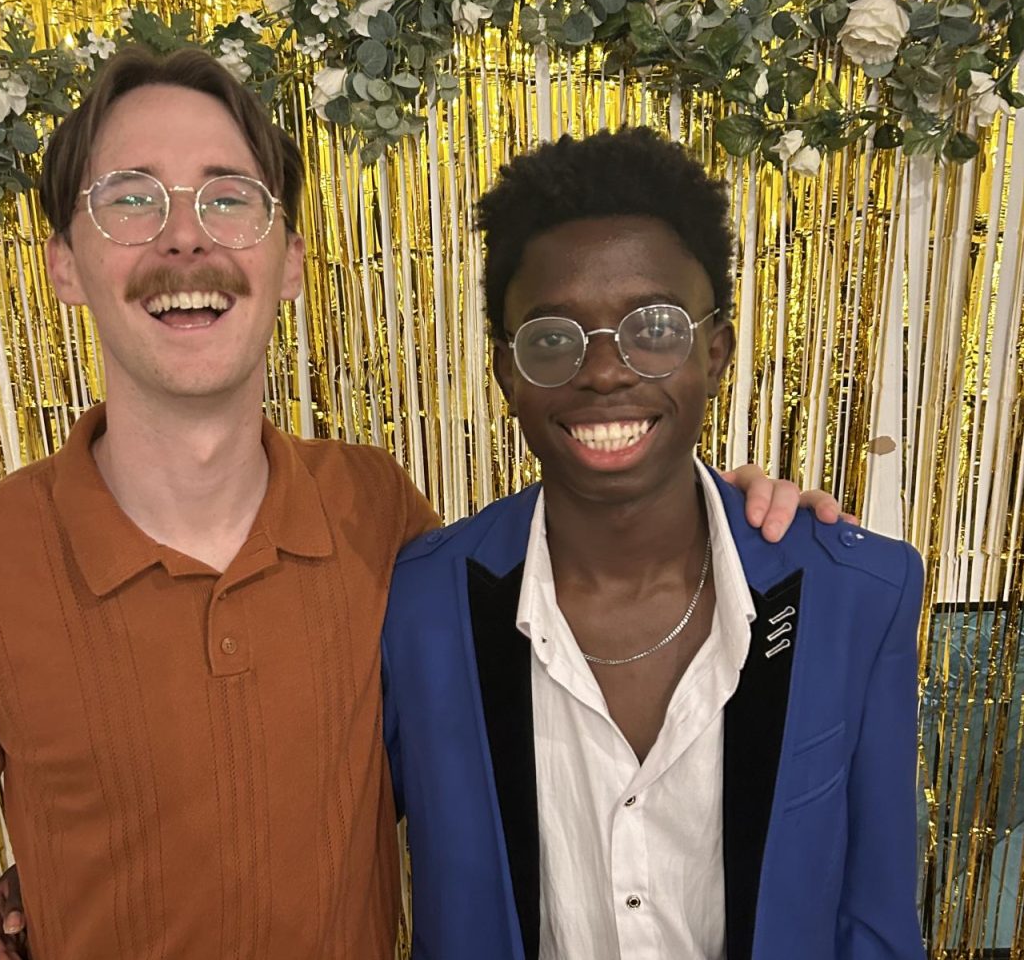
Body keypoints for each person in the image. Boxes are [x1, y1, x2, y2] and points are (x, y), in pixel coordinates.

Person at [0, 48, 842, 960]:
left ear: (288, 260)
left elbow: (551, 672)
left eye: (227, 196)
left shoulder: (383, 519)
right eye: (131, 198)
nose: (184, 233)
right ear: (64, 265)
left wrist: (720, 510)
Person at [381, 127, 925, 960]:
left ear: (716, 351)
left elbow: (876, 922)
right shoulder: (415, 604)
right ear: (506, 373)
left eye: (653, 328)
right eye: (554, 338)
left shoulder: (857, 594)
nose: (604, 371)